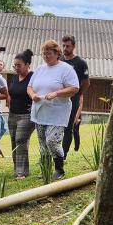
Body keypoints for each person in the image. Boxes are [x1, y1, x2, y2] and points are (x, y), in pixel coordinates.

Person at [28, 40, 80, 180]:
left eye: (49, 54)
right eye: (44, 54)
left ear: (57, 53)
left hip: (58, 111)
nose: (46, 56)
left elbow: (75, 88)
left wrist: (57, 93)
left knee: (52, 140)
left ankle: (59, 169)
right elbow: (30, 86)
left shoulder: (66, 69)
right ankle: (45, 169)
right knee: (43, 142)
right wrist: (33, 95)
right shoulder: (40, 69)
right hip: (40, 110)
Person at [7, 49, 36, 179]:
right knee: (14, 141)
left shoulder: (33, 77)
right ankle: (16, 168)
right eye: (15, 65)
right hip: (12, 114)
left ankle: (22, 172)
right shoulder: (14, 77)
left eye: (19, 65)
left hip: (27, 115)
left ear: (27, 64)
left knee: (20, 140)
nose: (16, 68)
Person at [60, 35, 90, 159]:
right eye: (63, 46)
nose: (65, 48)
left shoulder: (81, 63)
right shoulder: (59, 60)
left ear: (74, 46)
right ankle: (55, 153)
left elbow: (86, 82)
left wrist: (78, 94)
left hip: (73, 99)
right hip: (58, 98)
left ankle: (63, 155)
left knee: (68, 127)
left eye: (68, 46)